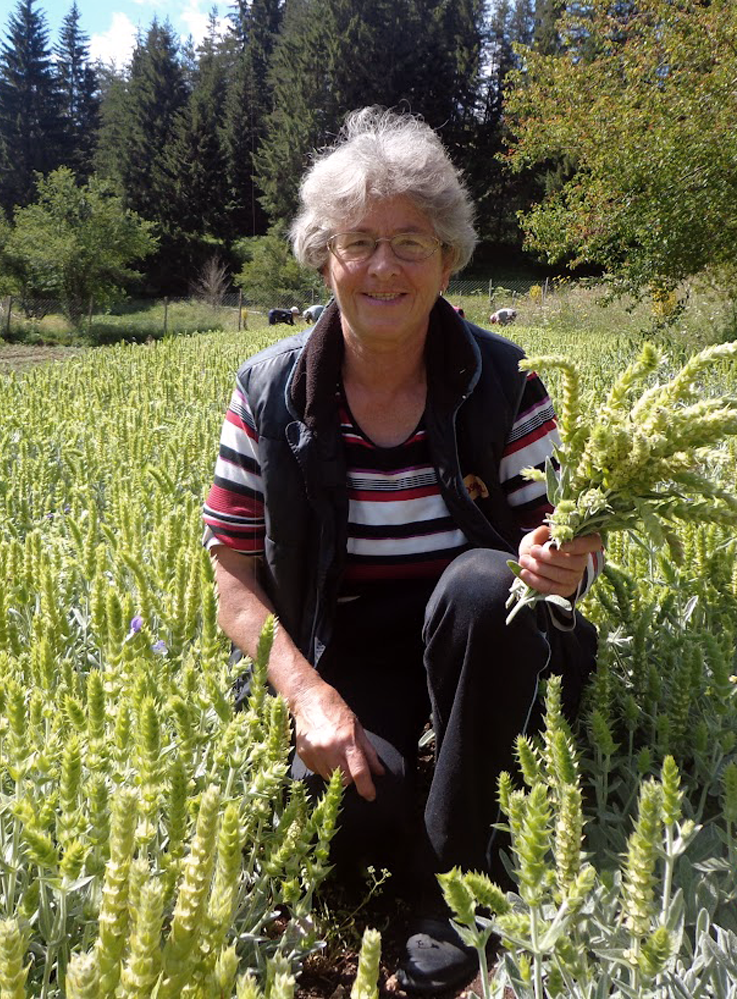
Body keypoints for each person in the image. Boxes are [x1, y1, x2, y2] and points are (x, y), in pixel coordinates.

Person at [203, 108, 602, 994]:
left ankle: (454, 882)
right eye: (360, 242)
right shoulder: (266, 392)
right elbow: (233, 575)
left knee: (482, 583)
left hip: (480, 639)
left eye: (411, 243)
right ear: (325, 259)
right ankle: (427, 800)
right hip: (344, 642)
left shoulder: (508, 381)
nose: (384, 266)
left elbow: (574, 534)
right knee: (334, 832)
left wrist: (566, 561)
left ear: (449, 260)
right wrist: (307, 696)